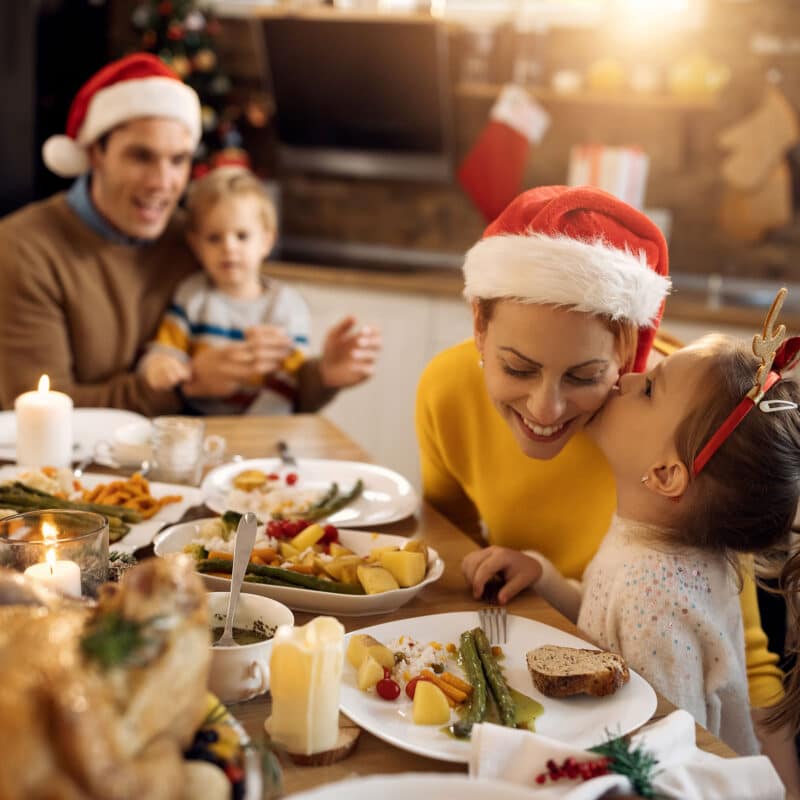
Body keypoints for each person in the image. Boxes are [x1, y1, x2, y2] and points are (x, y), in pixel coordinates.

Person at [416, 186, 797, 782]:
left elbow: (681, 734)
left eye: (587, 375)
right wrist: (540, 574)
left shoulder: (691, 431)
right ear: (479, 329)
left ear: (628, 351)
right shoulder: (447, 392)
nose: (546, 407)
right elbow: (450, 568)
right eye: (517, 368)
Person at [502, 322, 800, 757]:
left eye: (649, 391)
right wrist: (543, 577)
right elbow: (606, 626)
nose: (629, 377)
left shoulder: (652, 597)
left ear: (665, 474)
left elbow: (666, 754)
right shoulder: (662, 547)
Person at [139, 167, 380, 414]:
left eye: (242, 236)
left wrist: (322, 374)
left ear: (266, 241)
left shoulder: (287, 307)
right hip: (199, 426)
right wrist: (159, 366)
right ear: (196, 244)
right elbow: (166, 351)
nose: (229, 248)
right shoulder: (192, 296)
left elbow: (292, 378)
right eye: (214, 238)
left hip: (265, 426)